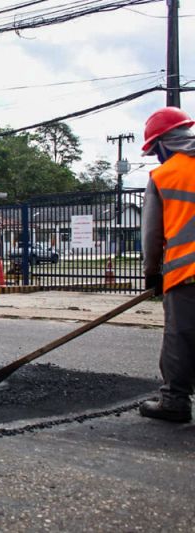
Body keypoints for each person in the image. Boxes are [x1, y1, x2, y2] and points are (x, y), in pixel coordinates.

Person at [138, 106, 195, 423]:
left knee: (181, 337)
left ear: (163, 144)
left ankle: (174, 401)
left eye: (154, 150)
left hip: (187, 274)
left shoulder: (164, 175)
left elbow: (152, 234)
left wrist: (151, 274)